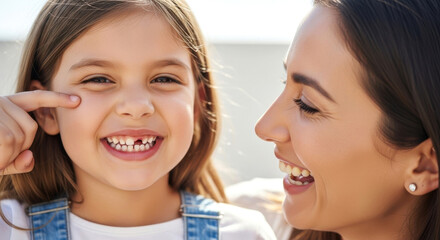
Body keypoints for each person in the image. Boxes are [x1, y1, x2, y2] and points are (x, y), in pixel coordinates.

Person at [0, 0, 277, 239]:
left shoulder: (244, 234)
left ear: (196, 104)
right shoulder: (9, 227)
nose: (137, 107)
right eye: (98, 79)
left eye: (164, 79)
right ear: (46, 110)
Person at [255, 0, 440, 239]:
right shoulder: (244, 223)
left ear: (423, 166)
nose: (263, 127)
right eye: (285, 83)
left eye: (308, 105)